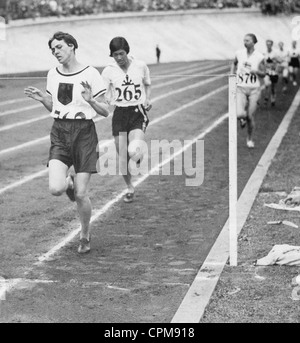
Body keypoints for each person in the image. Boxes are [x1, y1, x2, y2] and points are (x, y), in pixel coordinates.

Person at [24, 31, 109, 254]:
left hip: (84, 134)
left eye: (59, 47)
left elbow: (105, 111)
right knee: (56, 188)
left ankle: (84, 235)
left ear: (71, 46)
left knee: (81, 195)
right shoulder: (53, 74)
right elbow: (55, 107)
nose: (55, 52)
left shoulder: (91, 73)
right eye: (53, 49)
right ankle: (68, 183)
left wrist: (91, 100)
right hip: (60, 132)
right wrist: (43, 99)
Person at [102, 36, 152, 203]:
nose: (119, 58)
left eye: (121, 53)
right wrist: (107, 99)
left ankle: (138, 157)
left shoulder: (140, 66)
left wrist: (148, 99)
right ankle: (129, 186)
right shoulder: (108, 71)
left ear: (127, 52)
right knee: (123, 157)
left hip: (137, 112)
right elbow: (106, 93)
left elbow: (147, 83)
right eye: (115, 54)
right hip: (120, 115)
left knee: (134, 151)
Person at [231, 33, 265, 148]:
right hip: (240, 87)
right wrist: (232, 74)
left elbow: (264, 73)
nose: (245, 42)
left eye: (248, 40)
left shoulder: (259, 56)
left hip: (254, 89)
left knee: (250, 116)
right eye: (244, 40)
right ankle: (242, 118)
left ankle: (249, 139)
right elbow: (234, 63)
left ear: (254, 42)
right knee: (239, 114)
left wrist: (256, 71)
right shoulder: (239, 53)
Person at [263, 39, 280, 107]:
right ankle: (266, 97)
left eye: (270, 44)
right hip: (267, 72)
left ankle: (273, 100)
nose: (268, 46)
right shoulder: (264, 53)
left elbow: (279, 61)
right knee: (266, 84)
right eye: (267, 44)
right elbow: (262, 62)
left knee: (273, 87)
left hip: (274, 72)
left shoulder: (275, 53)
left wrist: (274, 62)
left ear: (272, 45)